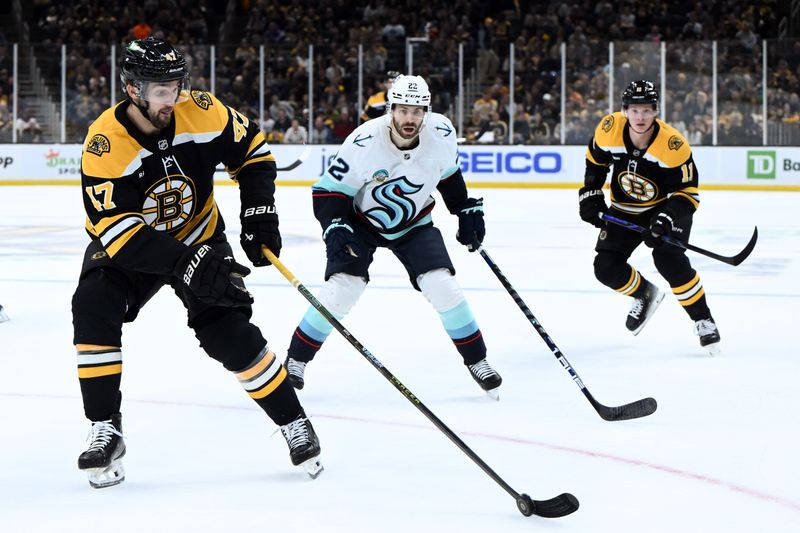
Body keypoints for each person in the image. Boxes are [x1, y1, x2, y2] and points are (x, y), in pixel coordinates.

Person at [72, 38, 322, 489]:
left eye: (178, 85)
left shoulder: (202, 110)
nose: (175, 97)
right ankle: (105, 426)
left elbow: (254, 154)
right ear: (132, 89)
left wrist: (258, 210)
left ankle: (293, 421)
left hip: (199, 235)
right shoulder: (105, 143)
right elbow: (116, 231)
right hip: (131, 248)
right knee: (92, 303)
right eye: (163, 90)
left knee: (227, 331)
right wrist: (184, 261)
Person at [284, 74, 502, 398]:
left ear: (426, 111)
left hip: (414, 223)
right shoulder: (364, 142)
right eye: (403, 110)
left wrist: (464, 209)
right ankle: (295, 361)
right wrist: (333, 225)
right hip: (360, 223)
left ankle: (477, 361)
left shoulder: (441, 134)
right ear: (391, 109)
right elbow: (328, 190)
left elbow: (448, 175)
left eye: (417, 111)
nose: (409, 118)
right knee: (343, 288)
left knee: (441, 284)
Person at [578, 80, 721, 355]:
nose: (640, 117)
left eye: (646, 110)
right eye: (634, 110)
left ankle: (703, 319)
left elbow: (688, 193)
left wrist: (666, 218)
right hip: (624, 209)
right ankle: (644, 294)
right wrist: (591, 193)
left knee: (669, 260)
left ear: (656, 110)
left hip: (664, 208)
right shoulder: (609, 130)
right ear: (625, 111)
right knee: (605, 267)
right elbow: (595, 162)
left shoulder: (672, 145)